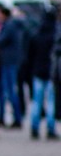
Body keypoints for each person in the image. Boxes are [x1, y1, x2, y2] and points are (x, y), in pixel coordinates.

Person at [26, 9, 57, 140]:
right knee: (50, 101)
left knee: (36, 101)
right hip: (51, 72)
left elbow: (29, 55)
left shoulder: (36, 34)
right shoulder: (55, 35)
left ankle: (34, 127)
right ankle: (50, 128)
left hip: (38, 70)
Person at [0, 5, 26, 129]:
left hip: (8, 62)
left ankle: (16, 118)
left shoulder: (9, 26)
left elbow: (0, 41)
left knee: (10, 91)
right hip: (8, 61)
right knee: (5, 90)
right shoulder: (10, 25)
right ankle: (5, 117)